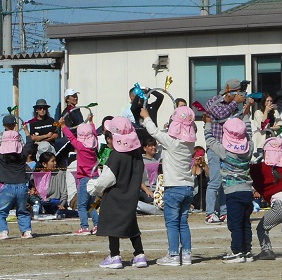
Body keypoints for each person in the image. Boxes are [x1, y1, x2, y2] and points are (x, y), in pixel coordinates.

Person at [141, 105, 197, 266]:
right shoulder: (190, 144)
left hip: (174, 187)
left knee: (172, 222)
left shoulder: (172, 143)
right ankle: (186, 255)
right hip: (187, 186)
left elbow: (154, 132)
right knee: (183, 222)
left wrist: (146, 116)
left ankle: (173, 255)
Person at [93, 116, 148, 269]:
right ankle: (139, 254)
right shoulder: (137, 155)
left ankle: (114, 255)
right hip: (131, 194)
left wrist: (93, 188)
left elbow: (107, 179)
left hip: (114, 195)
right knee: (131, 224)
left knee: (112, 224)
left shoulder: (116, 156)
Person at [204, 101, 255, 263]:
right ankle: (247, 250)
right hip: (248, 191)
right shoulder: (249, 148)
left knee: (235, 223)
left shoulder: (225, 151)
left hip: (232, 192)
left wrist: (207, 124)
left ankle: (238, 251)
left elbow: (210, 140)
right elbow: (249, 133)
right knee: (246, 222)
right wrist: (246, 115)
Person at [203, 79, 247, 224]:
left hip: (229, 147)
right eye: (238, 92)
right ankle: (210, 213)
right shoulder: (214, 101)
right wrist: (235, 103)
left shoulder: (233, 106)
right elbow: (221, 115)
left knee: (225, 182)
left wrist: (245, 109)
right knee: (215, 180)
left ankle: (224, 212)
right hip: (215, 146)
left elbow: (237, 124)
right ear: (231, 91)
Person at [0, 118, 35, 240]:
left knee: (0, 211)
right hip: (22, 187)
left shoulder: (2, 155)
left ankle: (3, 231)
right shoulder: (23, 154)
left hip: (8, 187)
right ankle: (26, 231)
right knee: (23, 211)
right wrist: (26, 130)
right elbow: (29, 143)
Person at [61, 114, 100, 235]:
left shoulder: (81, 146)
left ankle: (84, 227)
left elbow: (71, 138)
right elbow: (95, 134)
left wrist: (63, 126)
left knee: (81, 205)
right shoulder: (95, 144)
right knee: (90, 205)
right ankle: (98, 225)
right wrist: (91, 123)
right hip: (95, 178)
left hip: (85, 178)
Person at [191, 146, 208, 211]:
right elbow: (192, 178)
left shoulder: (205, 168)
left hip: (204, 197)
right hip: (194, 197)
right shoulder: (190, 166)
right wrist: (195, 165)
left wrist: (205, 165)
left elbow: (210, 175)